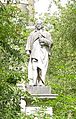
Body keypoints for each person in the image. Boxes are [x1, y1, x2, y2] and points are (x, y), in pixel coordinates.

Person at [26, 20, 53, 86]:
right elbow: (29, 43)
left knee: (42, 68)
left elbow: (51, 43)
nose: (38, 25)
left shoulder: (47, 34)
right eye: (37, 24)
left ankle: (41, 82)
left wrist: (44, 40)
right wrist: (28, 50)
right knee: (34, 67)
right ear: (36, 25)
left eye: (40, 23)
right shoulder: (32, 34)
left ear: (42, 24)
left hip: (43, 53)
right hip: (35, 53)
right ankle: (34, 82)